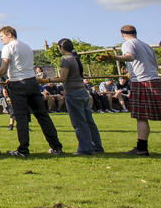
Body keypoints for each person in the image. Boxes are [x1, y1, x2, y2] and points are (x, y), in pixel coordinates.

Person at [0, 26, 63, 157]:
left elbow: (3, 69)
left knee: (21, 118)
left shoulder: (8, 47)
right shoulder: (26, 46)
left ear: (9, 34)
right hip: (32, 82)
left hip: (18, 84)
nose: (1, 39)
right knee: (42, 116)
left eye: (2, 37)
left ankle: (23, 149)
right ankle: (56, 147)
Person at [109, 25, 161, 156]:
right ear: (135, 33)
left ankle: (142, 148)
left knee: (141, 117)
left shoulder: (128, 44)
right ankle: (141, 148)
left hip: (141, 82)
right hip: (155, 80)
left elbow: (130, 57)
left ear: (122, 34)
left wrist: (115, 58)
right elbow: (154, 65)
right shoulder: (146, 46)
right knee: (143, 116)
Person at [48, 39, 103, 155]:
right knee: (89, 121)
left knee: (79, 123)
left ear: (61, 47)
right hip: (82, 92)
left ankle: (85, 149)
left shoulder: (66, 60)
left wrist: (46, 80)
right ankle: (97, 147)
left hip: (73, 93)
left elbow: (63, 78)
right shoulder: (75, 59)